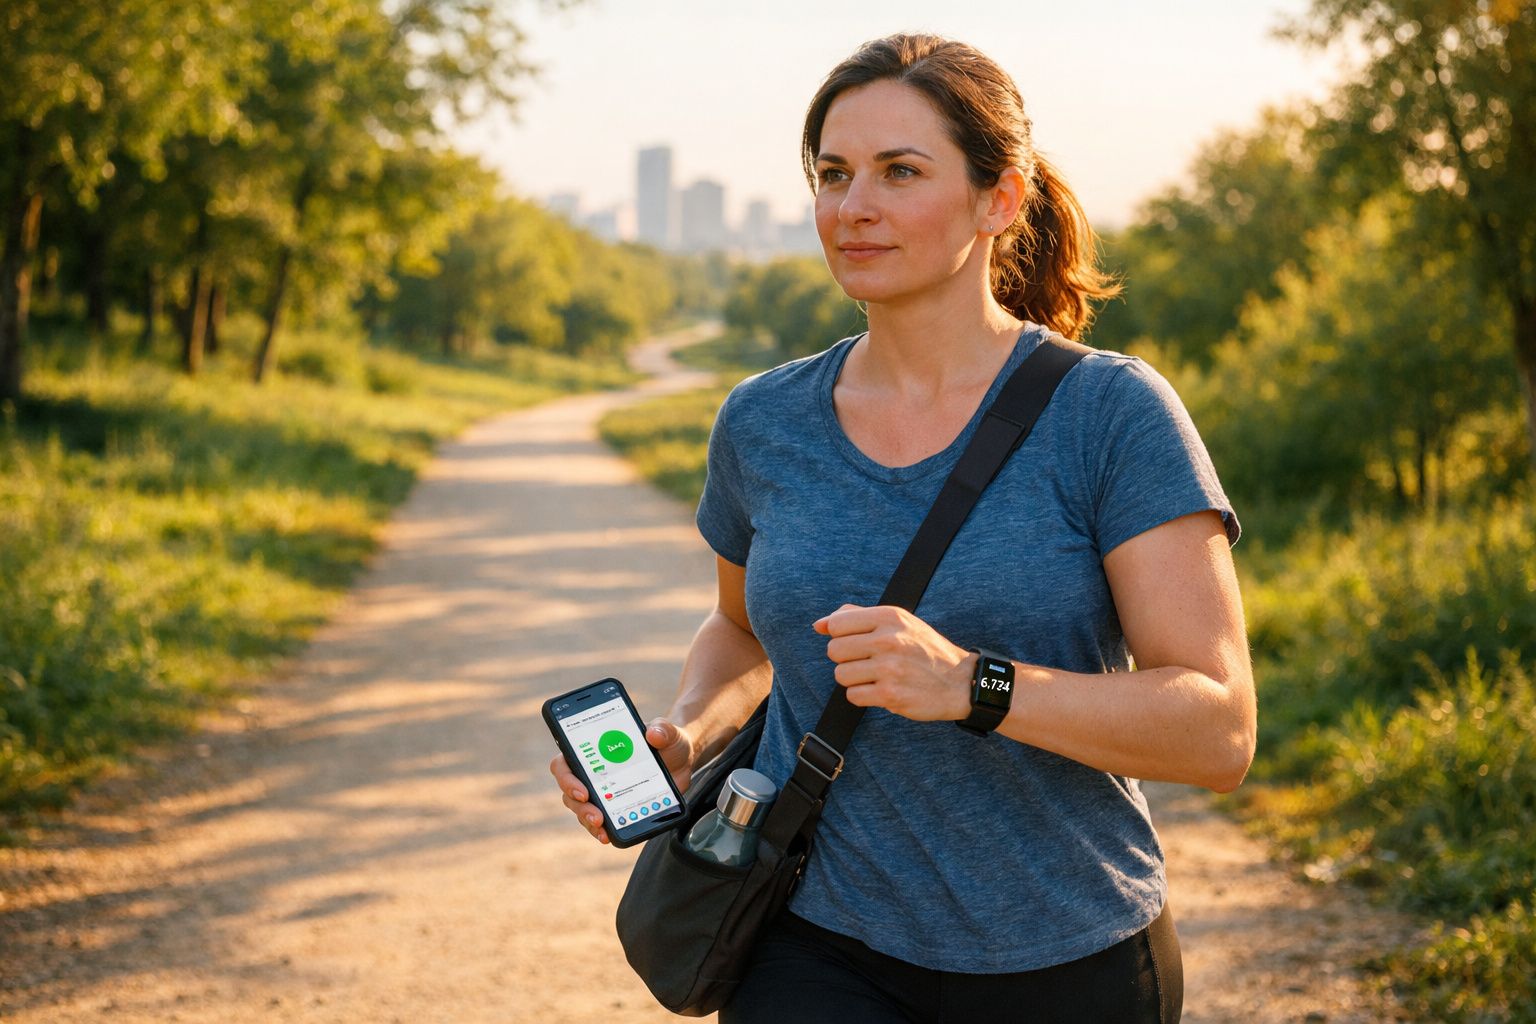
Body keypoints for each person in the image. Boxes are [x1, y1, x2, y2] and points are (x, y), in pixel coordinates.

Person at [551, 33, 1255, 1024]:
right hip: (813, 941)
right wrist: (688, 734)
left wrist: (974, 685)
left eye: (900, 172)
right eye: (833, 174)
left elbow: (1219, 727)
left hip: (1065, 954)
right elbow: (746, 630)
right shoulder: (763, 422)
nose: (853, 207)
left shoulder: (1110, 413)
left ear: (998, 199)